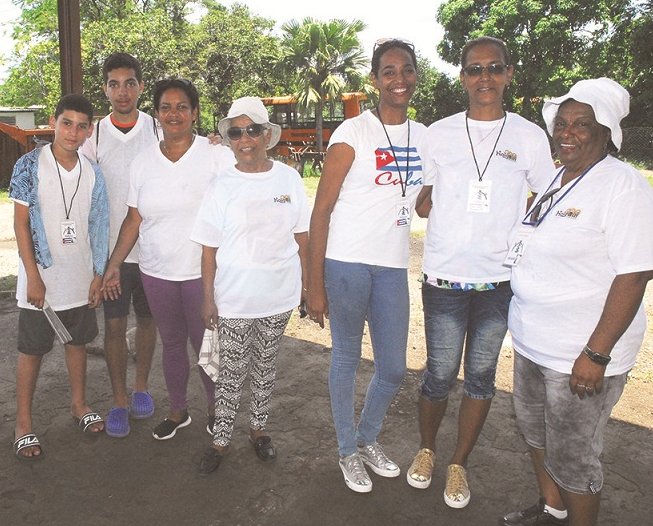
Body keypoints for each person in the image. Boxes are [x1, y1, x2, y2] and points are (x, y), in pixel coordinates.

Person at [406, 36, 554, 508]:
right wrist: (432, 202)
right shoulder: (439, 133)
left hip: (499, 282)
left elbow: (547, 196)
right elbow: (422, 196)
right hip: (444, 278)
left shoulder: (529, 136)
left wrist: (519, 236)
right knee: (438, 374)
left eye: (494, 68)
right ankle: (427, 450)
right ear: (463, 76)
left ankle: (459, 463)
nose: (484, 77)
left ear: (509, 73)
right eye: (474, 69)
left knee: (481, 377)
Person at [499, 78, 653, 526]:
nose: (567, 133)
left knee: (574, 457)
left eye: (581, 125)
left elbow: (635, 273)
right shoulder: (559, 179)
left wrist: (596, 352)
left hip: (579, 355)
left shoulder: (623, 187)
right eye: (562, 123)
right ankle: (553, 509)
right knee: (536, 434)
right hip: (532, 343)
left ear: (606, 131)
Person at [306, 39, 427, 493]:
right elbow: (321, 211)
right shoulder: (353, 133)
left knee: (394, 367)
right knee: (345, 357)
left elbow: (425, 201)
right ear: (375, 80)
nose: (399, 79)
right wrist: (313, 283)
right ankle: (346, 451)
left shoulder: (425, 136)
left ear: (416, 76)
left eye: (407, 69)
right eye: (389, 71)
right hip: (347, 262)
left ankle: (367, 438)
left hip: (392, 266)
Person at [102, 78, 234, 441]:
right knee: (172, 343)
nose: (173, 114)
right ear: (156, 114)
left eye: (181, 107)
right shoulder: (143, 162)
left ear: (195, 113)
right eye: (165, 107)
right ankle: (178, 411)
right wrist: (114, 263)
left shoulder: (217, 156)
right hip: (156, 270)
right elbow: (134, 219)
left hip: (202, 273)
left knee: (206, 345)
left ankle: (215, 410)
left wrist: (227, 141)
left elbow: (247, 187)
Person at [190, 96, 310, 474]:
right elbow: (208, 249)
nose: (245, 139)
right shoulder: (221, 184)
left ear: (265, 134)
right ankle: (221, 440)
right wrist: (207, 298)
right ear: (230, 139)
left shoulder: (288, 178)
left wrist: (309, 288)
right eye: (237, 132)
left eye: (252, 130)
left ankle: (259, 430)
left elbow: (302, 236)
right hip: (235, 297)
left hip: (279, 294)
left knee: (265, 365)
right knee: (231, 371)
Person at [11, 94, 109, 460]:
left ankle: (79, 405)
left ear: (89, 130)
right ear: (53, 123)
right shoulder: (28, 165)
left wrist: (98, 273)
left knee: (77, 343)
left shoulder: (92, 172)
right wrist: (33, 276)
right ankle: (23, 423)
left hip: (80, 276)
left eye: (82, 125)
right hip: (41, 281)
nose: (73, 131)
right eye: (67, 123)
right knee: (31, 350)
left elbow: (98, 225)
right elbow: (21, 224)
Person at [80, 52, 159, 438]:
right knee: (113, 326)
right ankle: (118, 400)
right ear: (105, 89)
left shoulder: (159, 129)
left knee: (147, 322)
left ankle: (141, 386)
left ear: (141, 87)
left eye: (130, 83)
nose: (122, 91)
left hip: (154, 252)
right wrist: (100, 261)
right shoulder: (93, 136)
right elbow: (81, 194)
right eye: (114, 84)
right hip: (113, 255)